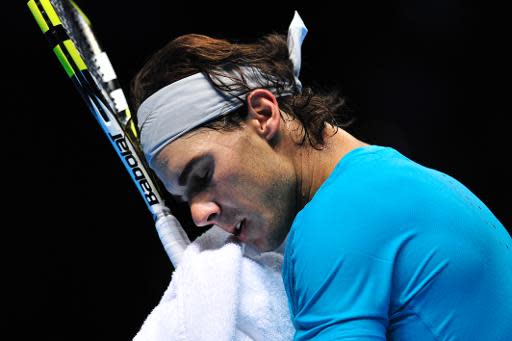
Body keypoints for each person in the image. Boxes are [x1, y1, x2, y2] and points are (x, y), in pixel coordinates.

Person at [130, 12, 512, 341]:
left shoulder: (334, 223)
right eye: (185, 197)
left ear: (263, 114)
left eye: (202, 174)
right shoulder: (399, 183)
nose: (199, 215)